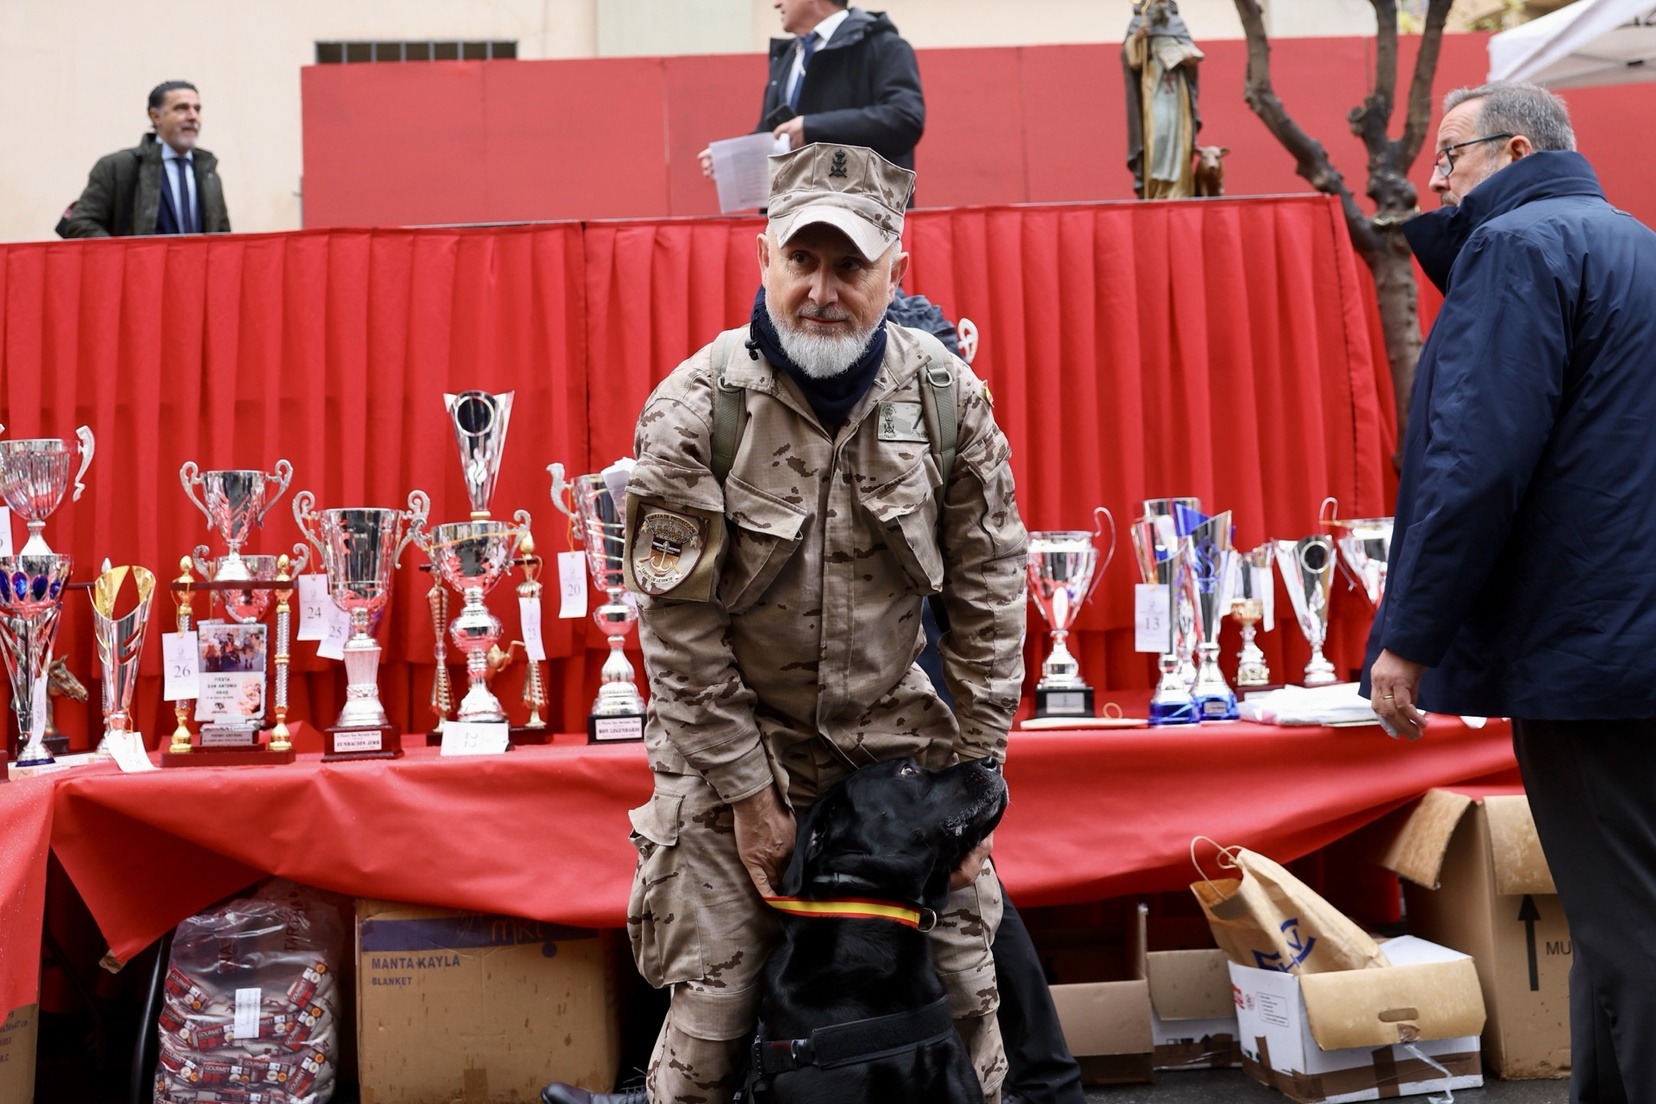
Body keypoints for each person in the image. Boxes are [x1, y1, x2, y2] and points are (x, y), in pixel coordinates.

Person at [545, 144, 1026, 1104]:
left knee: (964, 1013)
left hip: (891, 761)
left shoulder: (947, 401)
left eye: (850, 265)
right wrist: (746, 794)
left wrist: (974, 789)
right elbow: (679, 633)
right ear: (763, 256)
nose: (822, 291)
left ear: (896, 269)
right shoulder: (695, 410)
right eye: (801, 260)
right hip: (734, 752)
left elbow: (990, 596)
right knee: (714, 1028)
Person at [1365, 81, 1656, 1104]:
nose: (1436, 179)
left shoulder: (1515, 248)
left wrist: (1410, 634)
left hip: (1584, 650)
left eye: (1450, 155)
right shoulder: (1637, 244)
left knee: (1630, 928)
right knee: (1615, 909)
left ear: (1517, 150)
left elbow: (1475, 465)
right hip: (1626, 637)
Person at [698, 1, 924, 184]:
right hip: (790, 215)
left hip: (860, 215)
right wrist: (732, 158)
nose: (776, 4)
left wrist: (811, 127)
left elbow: (904, 119)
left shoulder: (884, 46)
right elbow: (774, 133)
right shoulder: (787, 56)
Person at [59, 80, 231, 238]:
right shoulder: (118, 167)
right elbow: (81, 224)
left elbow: (223, 234)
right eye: (182, 108)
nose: (193, 116)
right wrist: (125, 255)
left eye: (197, 109)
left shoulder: (207, 172)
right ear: (155, 116)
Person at [1122, 0, 1203, 200]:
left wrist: (1189, 60)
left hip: (1177, 89)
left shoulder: (1178, 23)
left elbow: (1191, 52)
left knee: (1180, 136)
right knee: (1159, 134)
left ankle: (1180, 189)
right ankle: (1156, 190)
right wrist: (1136, 40)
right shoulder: (1138, 22)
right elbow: (1132, 61)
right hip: (1153, 86)